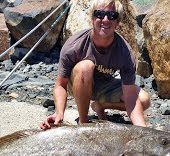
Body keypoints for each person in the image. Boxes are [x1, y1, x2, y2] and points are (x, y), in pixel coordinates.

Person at [40, 0, 151, 129]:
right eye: (99, 14)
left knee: (144, 100)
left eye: (112, 16)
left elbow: (131, 96)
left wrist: (144, 130)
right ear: (92, 18)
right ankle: (84, 122)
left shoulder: (125, 52)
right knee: (85, 67)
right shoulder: (74, 45)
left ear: (118, 22)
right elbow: (60, 85)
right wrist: (59, 113)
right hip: (77, 82)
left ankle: (100, 106)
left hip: (103, 84)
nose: (105, 20)